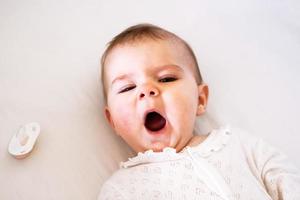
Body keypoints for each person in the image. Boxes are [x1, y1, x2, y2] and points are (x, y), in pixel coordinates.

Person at [98, 23, 300, 200]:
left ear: (200, 99)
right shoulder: (122, 190)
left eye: (166, 79)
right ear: (113, 120)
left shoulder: (238, 144)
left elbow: (287, 179)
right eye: (127, 88)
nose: (146, 90)